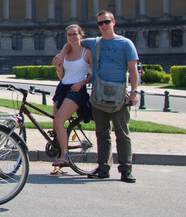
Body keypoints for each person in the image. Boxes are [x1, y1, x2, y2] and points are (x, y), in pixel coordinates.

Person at [53, 10, 139, 183]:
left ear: (113, 22)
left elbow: (133, 69)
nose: (104, 26)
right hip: (98, 94)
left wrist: (135, 92)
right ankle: (103, 168)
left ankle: (125, 169)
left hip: (119, 93)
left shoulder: (125, 43)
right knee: (102, 133)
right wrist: (62, 54)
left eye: (106, 22)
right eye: (100, 23)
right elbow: (72, 42)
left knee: (122, 133)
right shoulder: (94, 43)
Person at [49, 24, 93, 175]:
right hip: (62, 88)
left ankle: (65, 157)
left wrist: (81, 83)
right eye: (69, 34)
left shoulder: (87, 53)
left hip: (77, 91)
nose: (72, 37)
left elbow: (94, 74)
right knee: (56, 126)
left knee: (59, 121)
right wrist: (59, 68)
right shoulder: (66, 53)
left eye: (75, 34)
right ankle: (58, 161)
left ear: (81, 35)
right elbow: (62, 76)